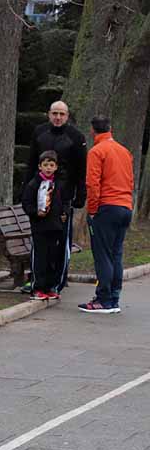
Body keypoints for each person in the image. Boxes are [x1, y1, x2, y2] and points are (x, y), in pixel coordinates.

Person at [21, 100, 88, 293]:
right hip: (39, 194)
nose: (58, 117)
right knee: (40, 243)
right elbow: (32, 162)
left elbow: (81, 168)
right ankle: (37, 281)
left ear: (67, 116)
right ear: (49, 114)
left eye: (62, 114)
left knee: (60, 244)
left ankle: (57, 281)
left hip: (63, 196)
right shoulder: (40, 132)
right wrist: (26, 188)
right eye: (54, 113)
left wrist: (80, 194)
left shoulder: (75, 136)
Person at [79, 115, 134, 314]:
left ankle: (103, 299)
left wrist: (92, 210)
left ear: (93, 130)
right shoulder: (124, 151)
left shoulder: (97, 151)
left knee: (102, 254)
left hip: (106, 207)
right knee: (116, 254)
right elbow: (129, 180)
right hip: (125, 206)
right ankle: (113, 297)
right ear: (110, 128)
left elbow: (92, 184)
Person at [21, 151, 68, 300]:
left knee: (52, 257)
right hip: (40, 226)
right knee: (40, 257)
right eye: (45, 165)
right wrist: (35, 213)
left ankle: (50, 286)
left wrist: (64, 212)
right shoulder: (34, 184)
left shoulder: (59, 184)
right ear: (40, 166)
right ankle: (37, 287)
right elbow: (26, 203)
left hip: (55, 226)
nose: (48, 168)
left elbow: (65, 201)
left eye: (51, 165)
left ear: (56, 167)